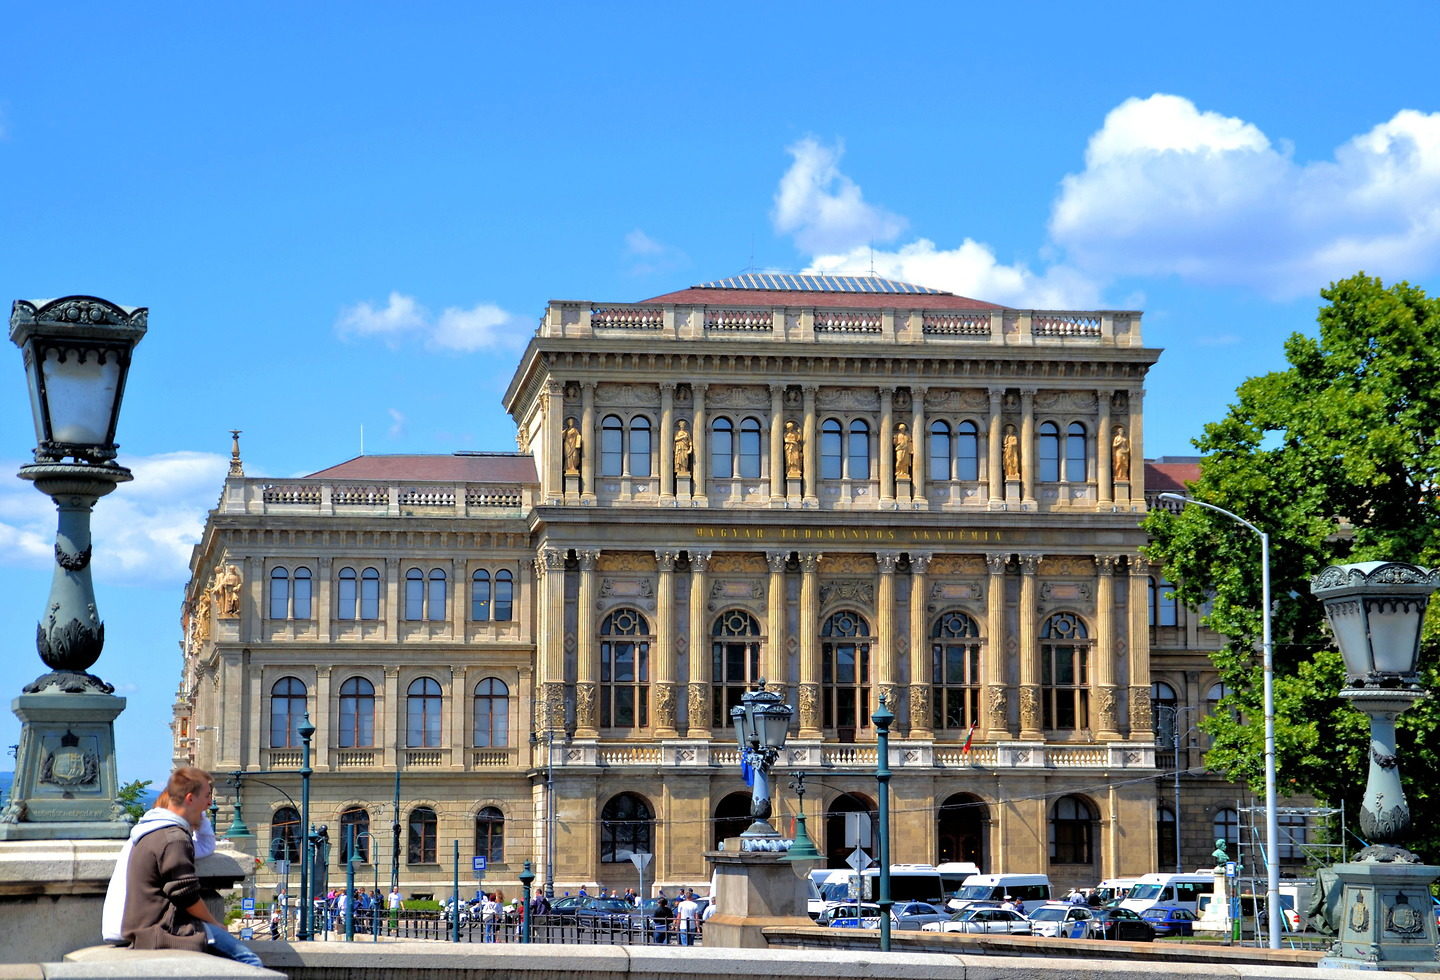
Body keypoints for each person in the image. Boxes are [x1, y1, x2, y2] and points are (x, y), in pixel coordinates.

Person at [101, 767, 263, 968]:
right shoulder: (174, 838)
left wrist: (198, 817)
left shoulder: (151, 830)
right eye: (206, 796)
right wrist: (214, 923)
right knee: (250, 961)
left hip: (141, 928)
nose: (210, 803)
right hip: (162, 930)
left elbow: (202, 848)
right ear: (190, 798)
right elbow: (185, 894)